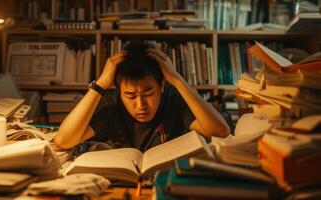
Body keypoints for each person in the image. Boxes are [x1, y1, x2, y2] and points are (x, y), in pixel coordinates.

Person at [54, 42, 230, 151]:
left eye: (148, 93)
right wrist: (100, 84)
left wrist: (176, 79)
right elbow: (63, 141)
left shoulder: (172, 98)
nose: (141, 105)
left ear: (161, 85)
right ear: (118, 89)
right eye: (130, 96)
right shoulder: (110, 102)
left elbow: (220, 131)